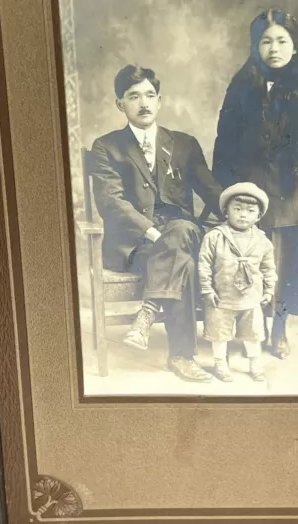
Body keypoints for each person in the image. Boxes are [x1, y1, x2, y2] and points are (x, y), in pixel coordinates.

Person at [91, 64, 223, 383]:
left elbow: (211, 189)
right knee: (185, 262)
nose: (144, 103)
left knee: (180, 230)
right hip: (135, 246)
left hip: (180, 231)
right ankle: (181, 357)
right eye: (133, 96)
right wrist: (150, 230)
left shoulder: (184, 144)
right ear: (120, 104)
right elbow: (111, 201)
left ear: (160, 100)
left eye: (150, 95)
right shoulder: (106, 147)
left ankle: (146, 315)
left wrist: (241, 209)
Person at [211, 9, 298, 360]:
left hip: (292, 192)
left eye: (281, 40)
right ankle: (247, 331)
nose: (273, 48)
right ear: (255, 45)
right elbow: (224, 141)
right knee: (248, 261)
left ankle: (278, 332)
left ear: (294, 45)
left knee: (284, 266)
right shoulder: (241, 84)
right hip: (249, 191)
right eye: (265, 41)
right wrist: (224, 192)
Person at [198, 183, 277, 382]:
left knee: (253, 334)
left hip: (251, 298)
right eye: (237, 209)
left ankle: (255, 364)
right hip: (221, 297)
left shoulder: (263, 241)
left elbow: (268, 269)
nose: (243, 215)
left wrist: (268, 291)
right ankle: (220, 364)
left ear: (259, 216)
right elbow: (204, 265)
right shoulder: (215, 237)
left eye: (250, 211)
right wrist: (207, 290)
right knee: (219, 333)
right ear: (226, 211)